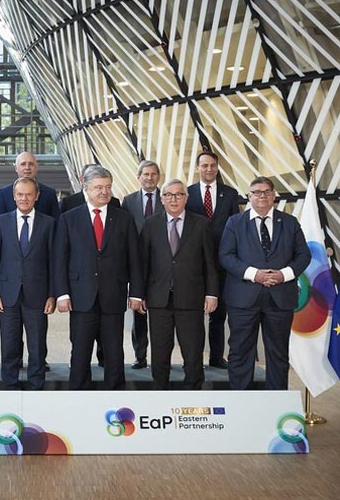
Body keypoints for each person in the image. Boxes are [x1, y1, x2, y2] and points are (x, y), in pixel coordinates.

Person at [54, 165, 144, 390]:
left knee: (114, 351)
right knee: (80, 351)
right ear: (86, 188)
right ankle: (78, 394)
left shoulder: (124, 219)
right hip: (81, 296)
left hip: (113, 295)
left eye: (107, 187)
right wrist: (62, 294)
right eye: (98, 187)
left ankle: (115, 394)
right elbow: (60, 259)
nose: (104, 192)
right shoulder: (69, 218)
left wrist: (136, 293)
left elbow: (135, 258)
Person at [219, 176, 311, 390]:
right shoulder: (235, 222)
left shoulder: (290, 222)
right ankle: (240, 403)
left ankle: (276, 403)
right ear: (249, 196)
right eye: (256, 192)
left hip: (280, 298)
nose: (262, 196)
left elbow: (303, 256)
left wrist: (283, 275)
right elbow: (226, 256)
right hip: (243, 299)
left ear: (274, 195)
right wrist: (254, 274)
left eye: (266, 192)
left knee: (278, 354)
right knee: (240, 352)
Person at [140, 179, 219, 390]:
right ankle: (160, 392)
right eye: (168, 195)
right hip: (159, 299)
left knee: (193, 352)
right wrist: (139, 294)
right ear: (162, 199)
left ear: (186, 198)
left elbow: (210, 262)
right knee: (159, 351)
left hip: (191, 298)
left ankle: (192, 393)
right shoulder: (150, 224)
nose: (173, 199)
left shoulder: (201, 224)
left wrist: (212, 293)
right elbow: (143, 262)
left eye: (178, 194)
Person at [0, 178, 55, 390]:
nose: (24, 198)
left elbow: (54, 261)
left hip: (38, 294)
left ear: (37, 196)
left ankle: (36, 386)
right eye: (20, 194)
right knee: (9, 344)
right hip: (7, 294)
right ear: (13, 196)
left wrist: (52, 294)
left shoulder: (49, 223)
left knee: (37, 346)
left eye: (28, 194)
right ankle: (10, 385)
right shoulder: (1, 221)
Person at [186, 150, 241, 369]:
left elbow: (236, 226)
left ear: (217, 167)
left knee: (219, 315)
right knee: (193, 317)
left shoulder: (230, 194)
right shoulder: (187, 193)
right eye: (204, 165)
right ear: (197, 168)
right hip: (194, 264)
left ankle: (216, 358)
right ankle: (193, 360)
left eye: (212, 165)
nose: (209, 169)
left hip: (222, 264)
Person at [121, 159, 164, 369]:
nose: (149, 178)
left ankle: (161, 358)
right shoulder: (128, 201)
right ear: (138, 177)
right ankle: (140, 356)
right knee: (138, 312)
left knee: (161, 315)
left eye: (153, 174)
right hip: (137, 265)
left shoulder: (167, 198)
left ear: (159, 177)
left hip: (162, 264)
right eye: (145, 174)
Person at [0, 151, 60, 220]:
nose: (27, 167)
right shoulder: (4, 194)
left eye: (31, 164)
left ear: (36, 167)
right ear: (16, 168)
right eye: (23, 164)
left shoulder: (49, 193)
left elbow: (56, 223)